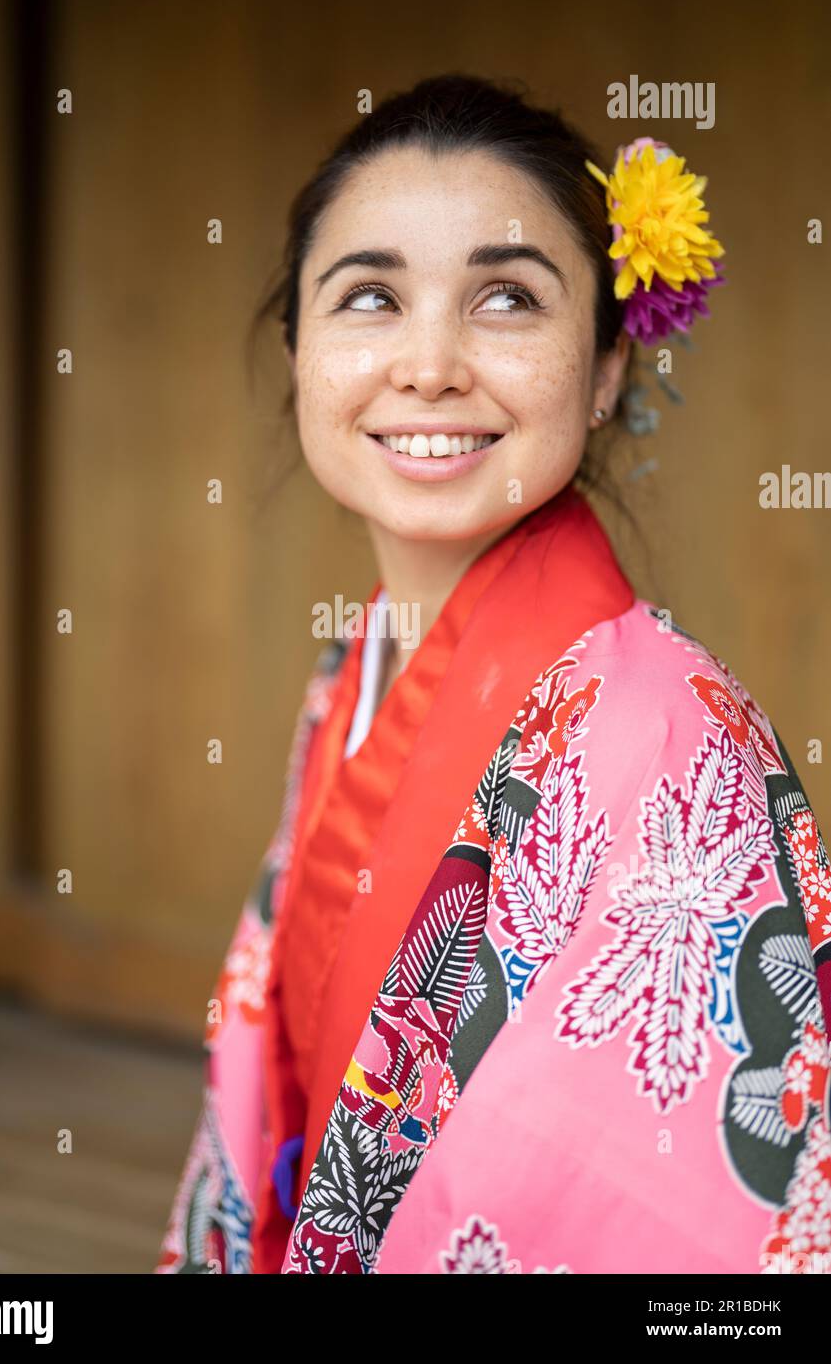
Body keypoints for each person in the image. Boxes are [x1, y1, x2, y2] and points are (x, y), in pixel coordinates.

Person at [155, 75, 830, 1275]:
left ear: (610, 365)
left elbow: (664, 1197)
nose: (427, 365)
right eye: (369, 297)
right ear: (300, 349)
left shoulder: (667, 732)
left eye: (506, 298)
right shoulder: (351, 666)